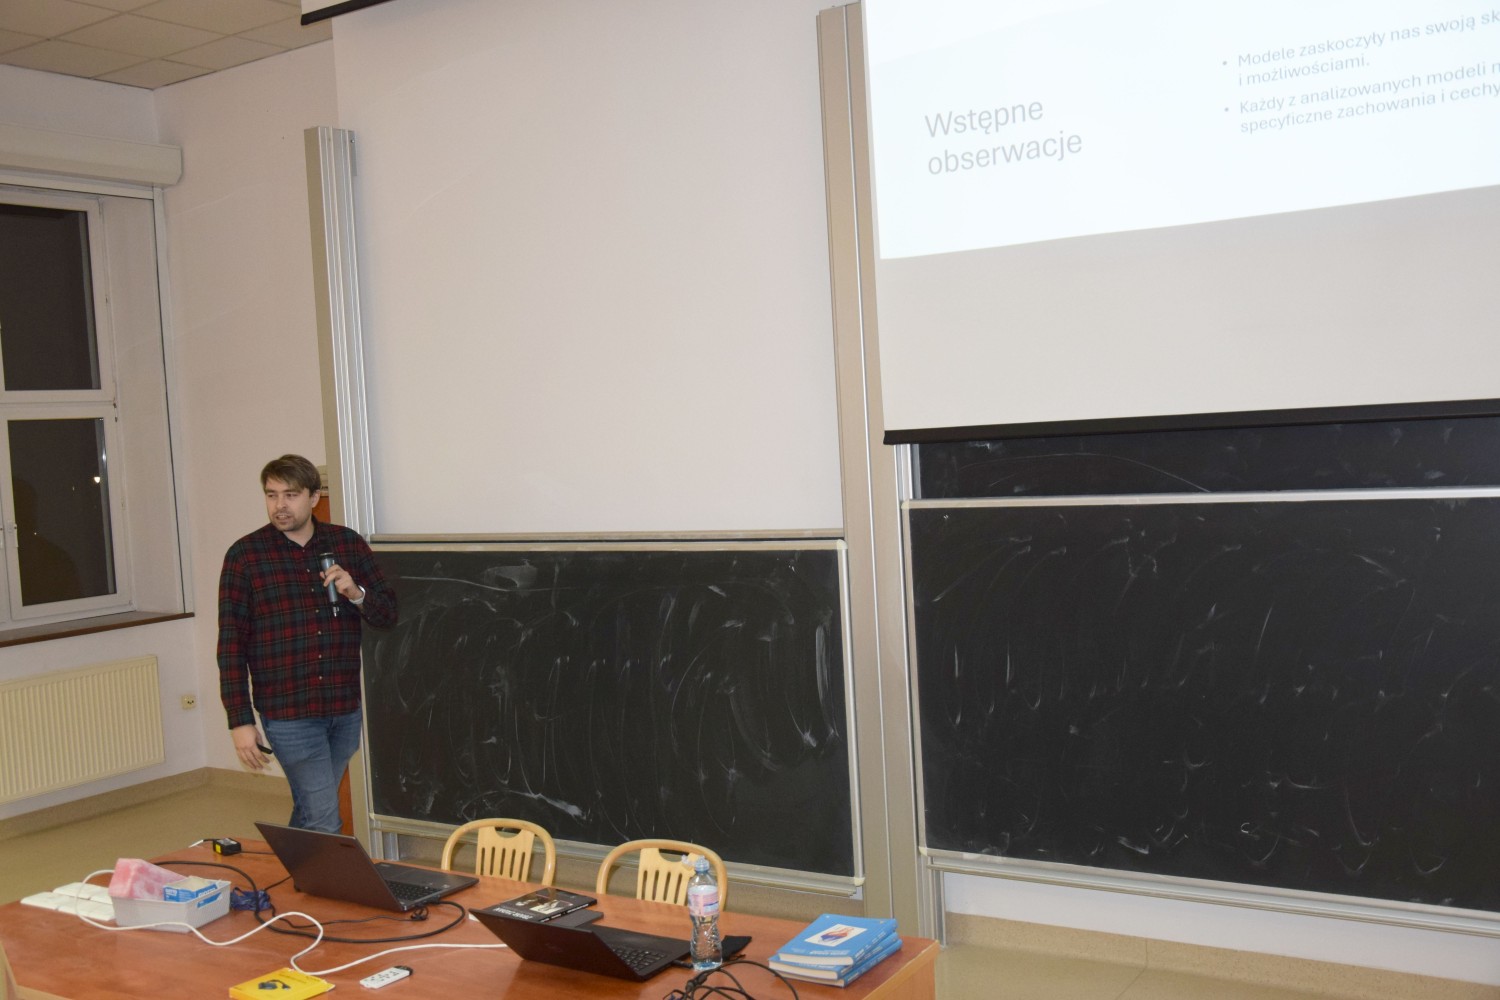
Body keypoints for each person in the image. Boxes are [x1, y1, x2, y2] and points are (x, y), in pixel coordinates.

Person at [217, 454, 397, 832]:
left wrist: (356, 593)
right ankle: (329, 872)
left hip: (342, 706)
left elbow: (387, 615)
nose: (279, 505)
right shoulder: (245, 556)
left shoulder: (347, 544)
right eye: (271, 495)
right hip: (288, 712)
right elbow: (231, 645)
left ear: (314, 497)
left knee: (312, 808)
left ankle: (290, 868)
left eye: (291, 495)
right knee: (324, 818)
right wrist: (240, 720)